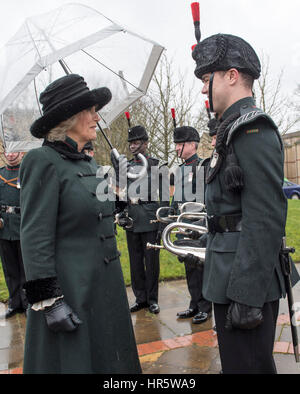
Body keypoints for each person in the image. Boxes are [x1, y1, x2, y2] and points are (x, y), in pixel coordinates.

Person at [191, 33, 300, 373]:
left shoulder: (252, 129)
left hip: (243, 282)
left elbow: (265, 217)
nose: (203, 89)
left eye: (208, 80)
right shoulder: (232, 129)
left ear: (233, 76)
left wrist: (247, 296)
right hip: (229, 273)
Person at [20, 74, 141, 374]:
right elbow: (35, 236)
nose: (96, 116)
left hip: (105, 288)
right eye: (90, 110)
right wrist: (49, 300)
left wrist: (123, 186)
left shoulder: (85, 162)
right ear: (69, 117)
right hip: (72, 291)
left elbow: (95, 211)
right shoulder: (42, 161)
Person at [111, 125, 169, 315]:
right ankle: (140, 298)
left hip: (151, 217)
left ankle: (152, 299)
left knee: (151, 262)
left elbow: (165, 196)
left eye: (136, 143)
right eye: (131, 144)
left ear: (145, 144)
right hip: (132, 218)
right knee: (135, 261)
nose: (133, 147)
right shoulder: (125, 166)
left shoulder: (156, 165)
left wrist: (163, 220)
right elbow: (119, 192)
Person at [171, 126, 212, 324]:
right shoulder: (179, 170)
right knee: (188, 265)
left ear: (192, 145)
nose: (177, 148)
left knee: (201, 267)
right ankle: (194, 304)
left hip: (198, 225)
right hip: (183, 224)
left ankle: (205, 307)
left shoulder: (204, 167)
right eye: (176, 144)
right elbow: (176, 198)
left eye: (180, 144)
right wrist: (171, 217)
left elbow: (207, 198)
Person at [0, 151, 27, 318]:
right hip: (4, 228)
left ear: (21, 152)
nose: (10, 155)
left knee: (26, 269)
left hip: (23, 226)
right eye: (7, 152)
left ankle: (27, 303)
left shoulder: (27, 172)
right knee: (9, 268)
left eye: (14, 151)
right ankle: (14, 303)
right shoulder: (1, 174)